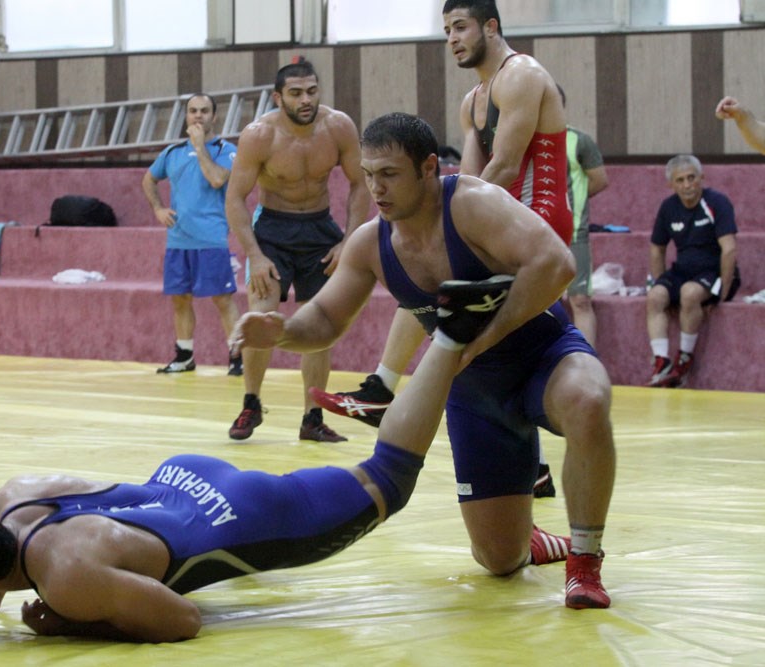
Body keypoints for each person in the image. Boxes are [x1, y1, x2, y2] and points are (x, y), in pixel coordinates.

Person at [0, 322, 574, 641]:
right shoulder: (13, 495)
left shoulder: (67, 578)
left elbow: (181, 621)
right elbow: (17, 544)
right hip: (181, 475)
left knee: (388, 479)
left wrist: (68, 624)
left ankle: (451, 337)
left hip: (236, 514)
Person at [233, 113, 615, 610]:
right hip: (475, 392)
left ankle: (584, 561)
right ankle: (535, 541)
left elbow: (556, 263)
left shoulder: (472, 203)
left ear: (429, 167)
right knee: (499, 559)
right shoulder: (371, 242)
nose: (377, 188)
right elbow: (325, 318)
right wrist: (282, 331)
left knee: (588, 400)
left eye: (389, 174)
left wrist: (485, 337)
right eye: (369, 175)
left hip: (543, 356)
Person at [313, 0, 573, 496]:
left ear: (491, 27)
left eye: (461, 27)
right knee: (429, 275)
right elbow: (468, 180)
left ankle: (382, 386)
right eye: (447, 29)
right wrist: (436, 227)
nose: (452, 38)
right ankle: (531, 465)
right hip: (500, 212)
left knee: (437, 277)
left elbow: (503, 167)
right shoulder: (473, 100)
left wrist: (447, 228)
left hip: (538, 217)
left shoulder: (521, 75)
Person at [224, 57, 370, 442]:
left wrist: (348, 241)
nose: (306, 100)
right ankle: (251, 403)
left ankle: (312, 418)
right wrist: (255, 255)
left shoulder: (338, 127)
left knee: (319, 325)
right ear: (278, 98)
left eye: (312, 91)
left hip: (320, 230)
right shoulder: (259, 135)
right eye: (296, 93)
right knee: (261, 316)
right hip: (273, 230)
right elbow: (235, 198)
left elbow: (360, 184)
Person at [141, 94, 242, 376]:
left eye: (204, 111)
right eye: (193, 111)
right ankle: (184, 356)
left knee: (222, 299)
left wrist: (199, 147)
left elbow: (217, 179)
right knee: (180, 299)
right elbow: (149, 179)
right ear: (186, 116)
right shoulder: (172, 152)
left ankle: (237, 357)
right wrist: (158, 208)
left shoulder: (227, 151)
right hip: (178, 239)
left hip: (211, 238)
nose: (198, 115)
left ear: (214, 116)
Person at [646, 154, 739, 388]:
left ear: (702, 177)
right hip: (683, 271)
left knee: (689, 293)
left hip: (713, 271)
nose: (687, 185)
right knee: (655, 296)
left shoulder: (717, 203)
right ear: (671, 184)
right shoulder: (668, 207)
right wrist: (660, 282)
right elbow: (657, 249)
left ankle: (684, 360)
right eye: (680, 180)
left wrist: (723, 293)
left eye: (691, 178)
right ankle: (661, 363)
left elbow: (729, 249)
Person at [560, 85, 608, 348]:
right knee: (540, 305)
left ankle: (586, 360)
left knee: (580, 300)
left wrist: (567, 203)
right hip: (536, 235)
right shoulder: (525, 143)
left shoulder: (579, 141)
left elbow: (599, 180)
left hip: (574, 233)